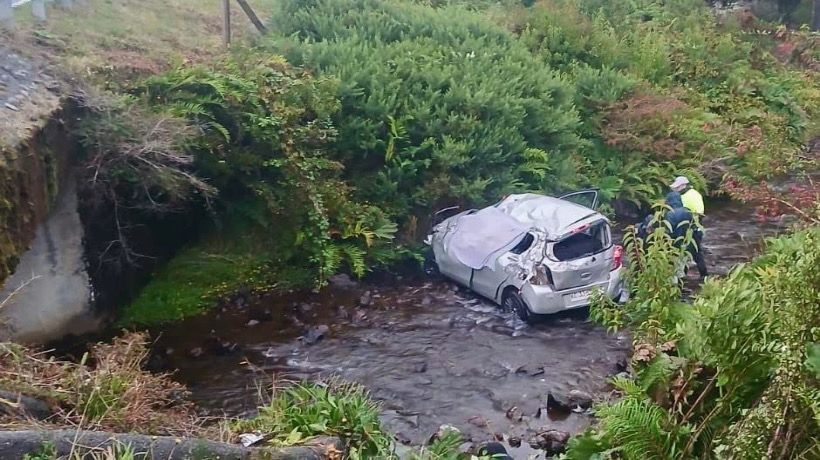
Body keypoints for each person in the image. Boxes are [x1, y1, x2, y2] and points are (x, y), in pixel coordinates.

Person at [637, 192, 708, 278]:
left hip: (675, 245)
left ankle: (679, 281)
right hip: (688, 242)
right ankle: (704, 275)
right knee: (692, 258)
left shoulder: (669, 215)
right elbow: (693, 227)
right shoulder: (688, 211)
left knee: (675, 267)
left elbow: (668, 231)